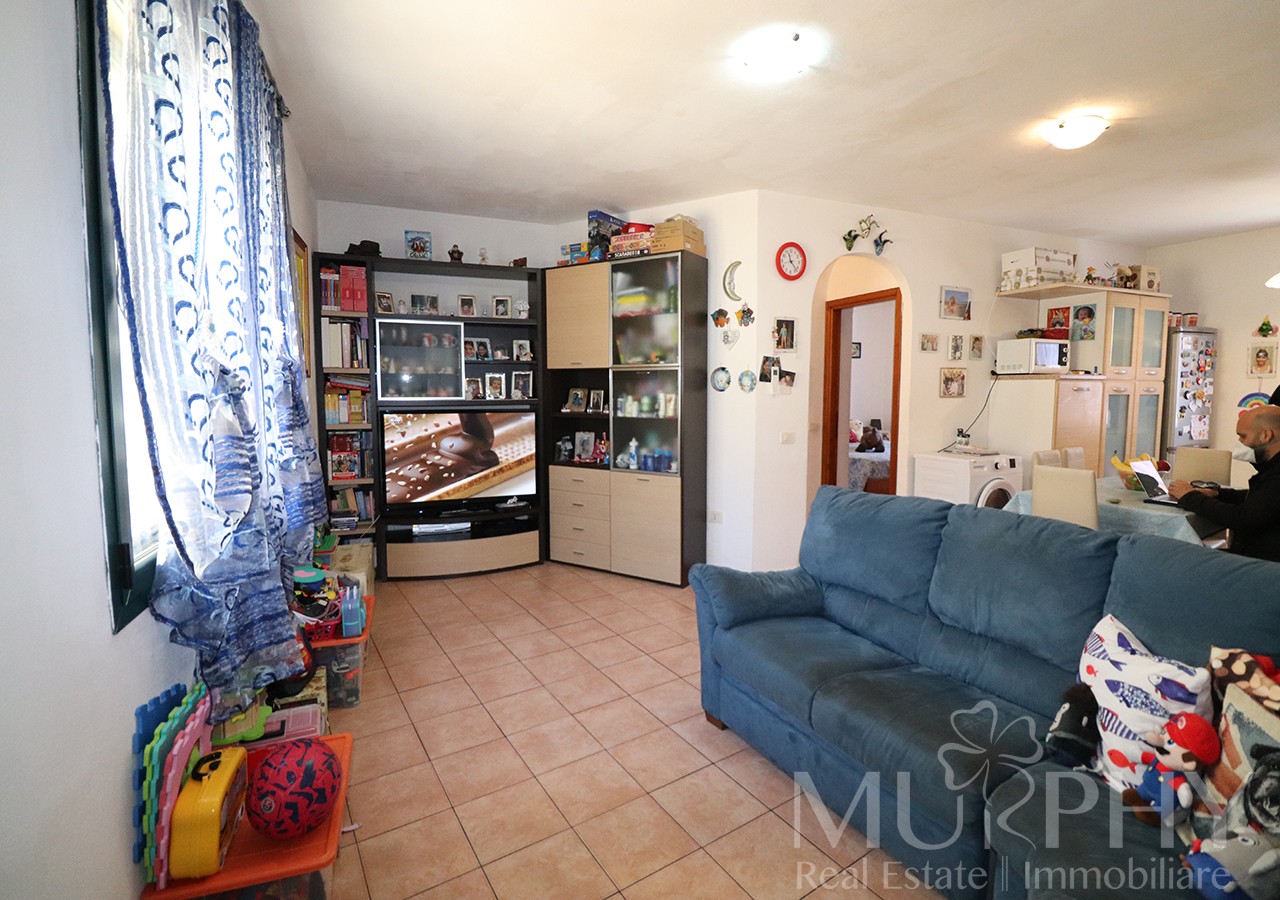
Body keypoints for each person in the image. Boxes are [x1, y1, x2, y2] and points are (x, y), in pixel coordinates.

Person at [1167, 404, 1280, 562]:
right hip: (1257, 554)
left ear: (1266, 435)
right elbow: (1262, 499)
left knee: (1179, 557)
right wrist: (1218, 494)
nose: (1239, 442)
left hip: (1263, 563)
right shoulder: (1272, 468)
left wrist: (1190, 497)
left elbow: (1243, 519)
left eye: (1243, 436)